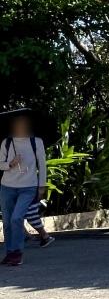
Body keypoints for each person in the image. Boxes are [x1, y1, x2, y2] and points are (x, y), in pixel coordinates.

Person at [1, 114, 46, 267]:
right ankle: (10, 253)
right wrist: (10, 164)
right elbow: (0, 164)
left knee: (16, 218)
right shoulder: (7, 142)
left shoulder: (36, 142)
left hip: (28, 187)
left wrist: (42, 186)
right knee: (7, 222)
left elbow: (42, 165)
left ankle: (17, 253)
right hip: (7, 187)